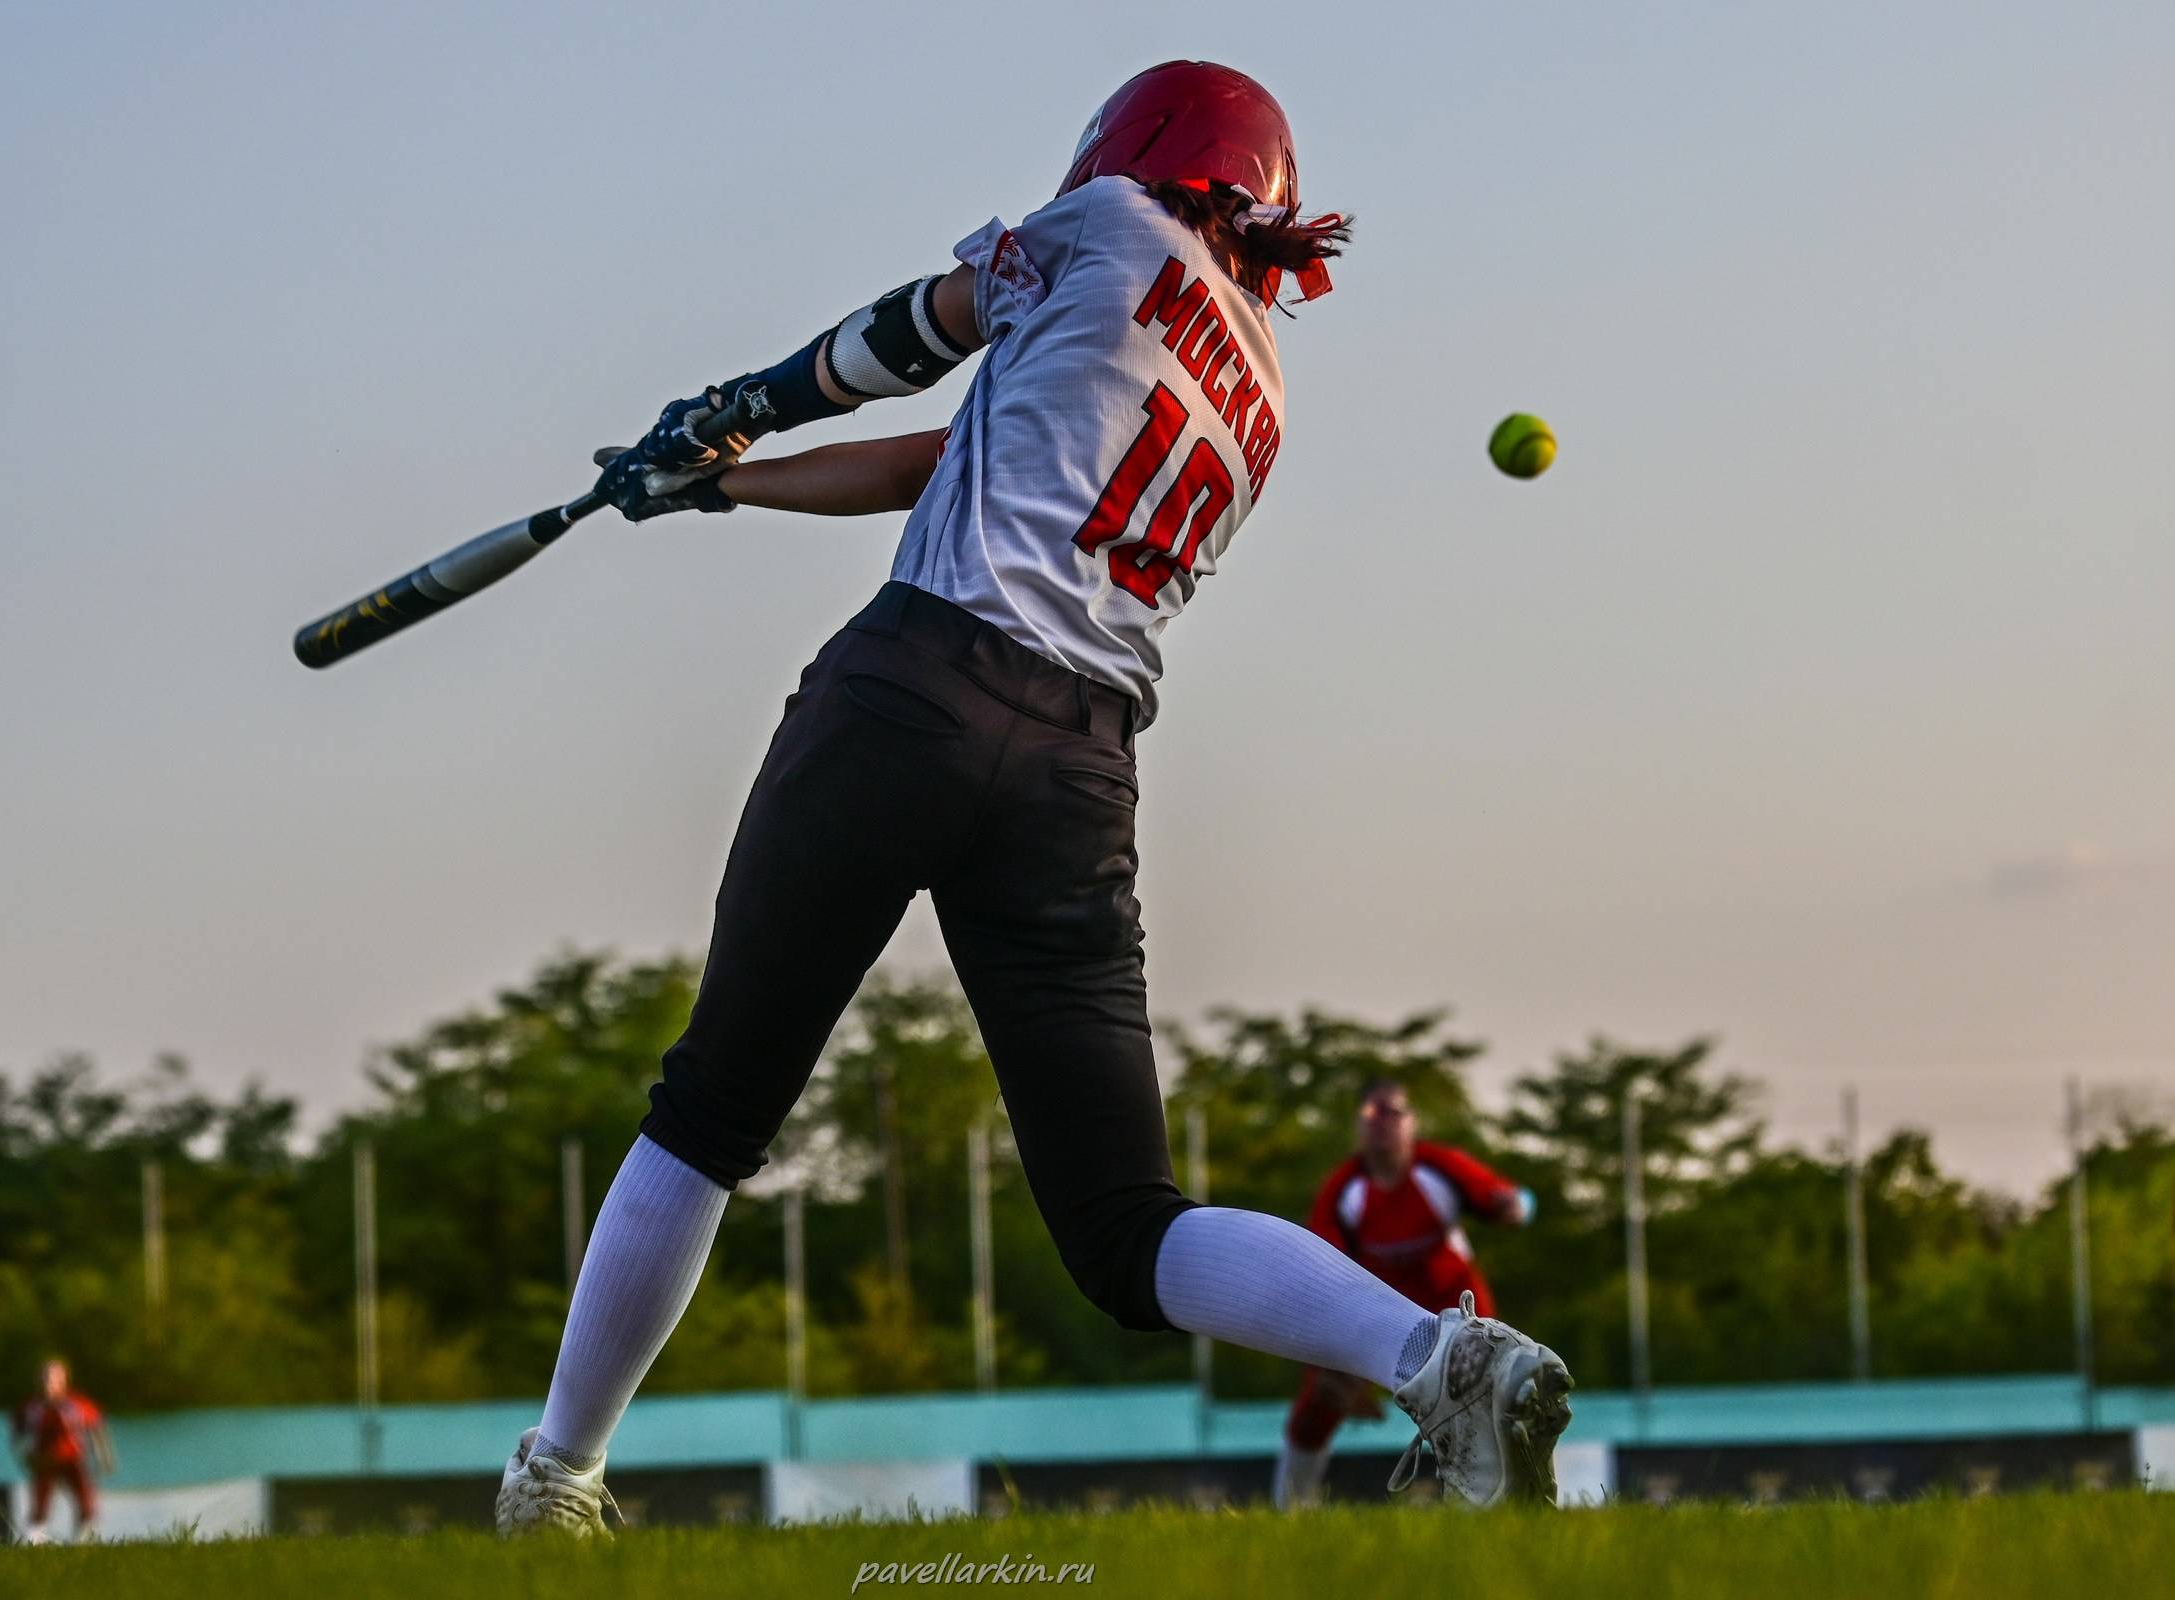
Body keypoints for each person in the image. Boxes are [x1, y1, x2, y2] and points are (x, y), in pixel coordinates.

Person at [495, 61, 1572, 1536]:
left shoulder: (1111, 223)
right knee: (1125, 1222)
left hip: (915, 690)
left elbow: (911, 337)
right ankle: (1440, 1359)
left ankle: (560, 1476)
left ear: (1141, 149)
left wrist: (732, 410)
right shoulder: (1260, 389)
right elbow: (948, 459)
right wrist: (723, 485)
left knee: (713, 1108)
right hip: (1077, 772)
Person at [1273, 1080, 1537, 1508]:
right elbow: (1319, 1272)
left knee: (1492, 1392)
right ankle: (1290, 1507)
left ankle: (1509, 1497)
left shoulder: (1440, 1167)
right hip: (1379, 1307)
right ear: (1359, 1126)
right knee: (1319, 1400)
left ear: (1412, 1123)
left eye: (1394, 1112)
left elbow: (1515, 1199)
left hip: (1453, 1301)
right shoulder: (1342, 1190)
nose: (1384, 1123)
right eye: (1373, 1113)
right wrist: (1325, 1360)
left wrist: (1515, 1207)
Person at [10, 1359, 114, 1542]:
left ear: (63, 1381)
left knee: (86, 1501)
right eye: (44, 1380)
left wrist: (104, 1457)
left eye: (53, 1380)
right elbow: (18, 1435)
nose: (48, 1385)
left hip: (72, 1460)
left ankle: (83, 1538)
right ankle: (35, 1539)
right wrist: (24, 1456)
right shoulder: (31, 1407)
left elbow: (96, 1428)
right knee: (41, 1503)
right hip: (44, 1461)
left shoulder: (77, 1404)